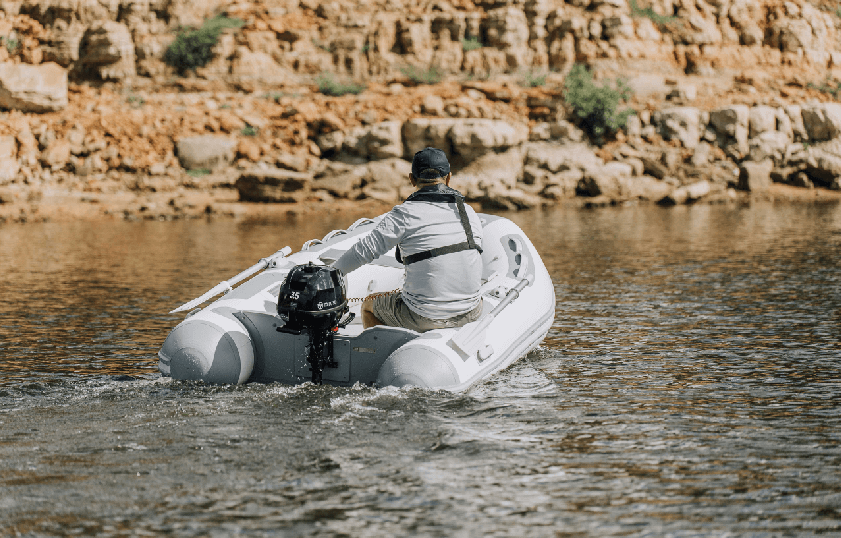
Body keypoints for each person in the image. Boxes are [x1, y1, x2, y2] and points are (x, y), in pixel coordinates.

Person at [332, 147, 484, 332]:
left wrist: (331, 273)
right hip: (471, 313)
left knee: (369, 305)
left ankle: (383, 352)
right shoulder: (468, 212)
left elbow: (362, 252)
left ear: (411, 180)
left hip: (424, 316)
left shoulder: (404, 214)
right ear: (449, 178)